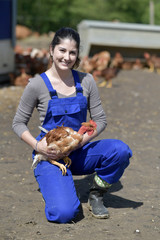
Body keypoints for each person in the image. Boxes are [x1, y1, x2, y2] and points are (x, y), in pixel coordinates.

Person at [12, 27, 132, 224]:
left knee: (120, 151)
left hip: (79, 151)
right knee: (65, 213)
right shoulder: (36, 84)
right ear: (51, 50)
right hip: (49, 155)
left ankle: (97, 193)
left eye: (72, 52)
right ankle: (52, 183)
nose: (66, 57)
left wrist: (78, 142)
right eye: (62, 50)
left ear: (77, 55)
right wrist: (37, 146)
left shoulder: (87, 81)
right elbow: (18, 123)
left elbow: (100, 120)